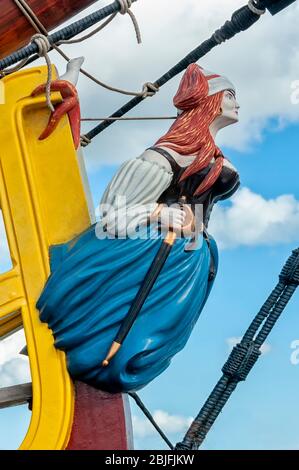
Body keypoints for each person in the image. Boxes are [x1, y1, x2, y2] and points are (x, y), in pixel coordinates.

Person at [37, 63, 240, 393]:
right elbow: (114, 213)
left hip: (187, 261)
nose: (237, 103)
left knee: (159, 333)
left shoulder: (213, 157)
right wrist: (158, 211)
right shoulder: (166, 156)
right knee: (127, 335)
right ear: (210, 101)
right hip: (153, 251)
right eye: (230, 95)